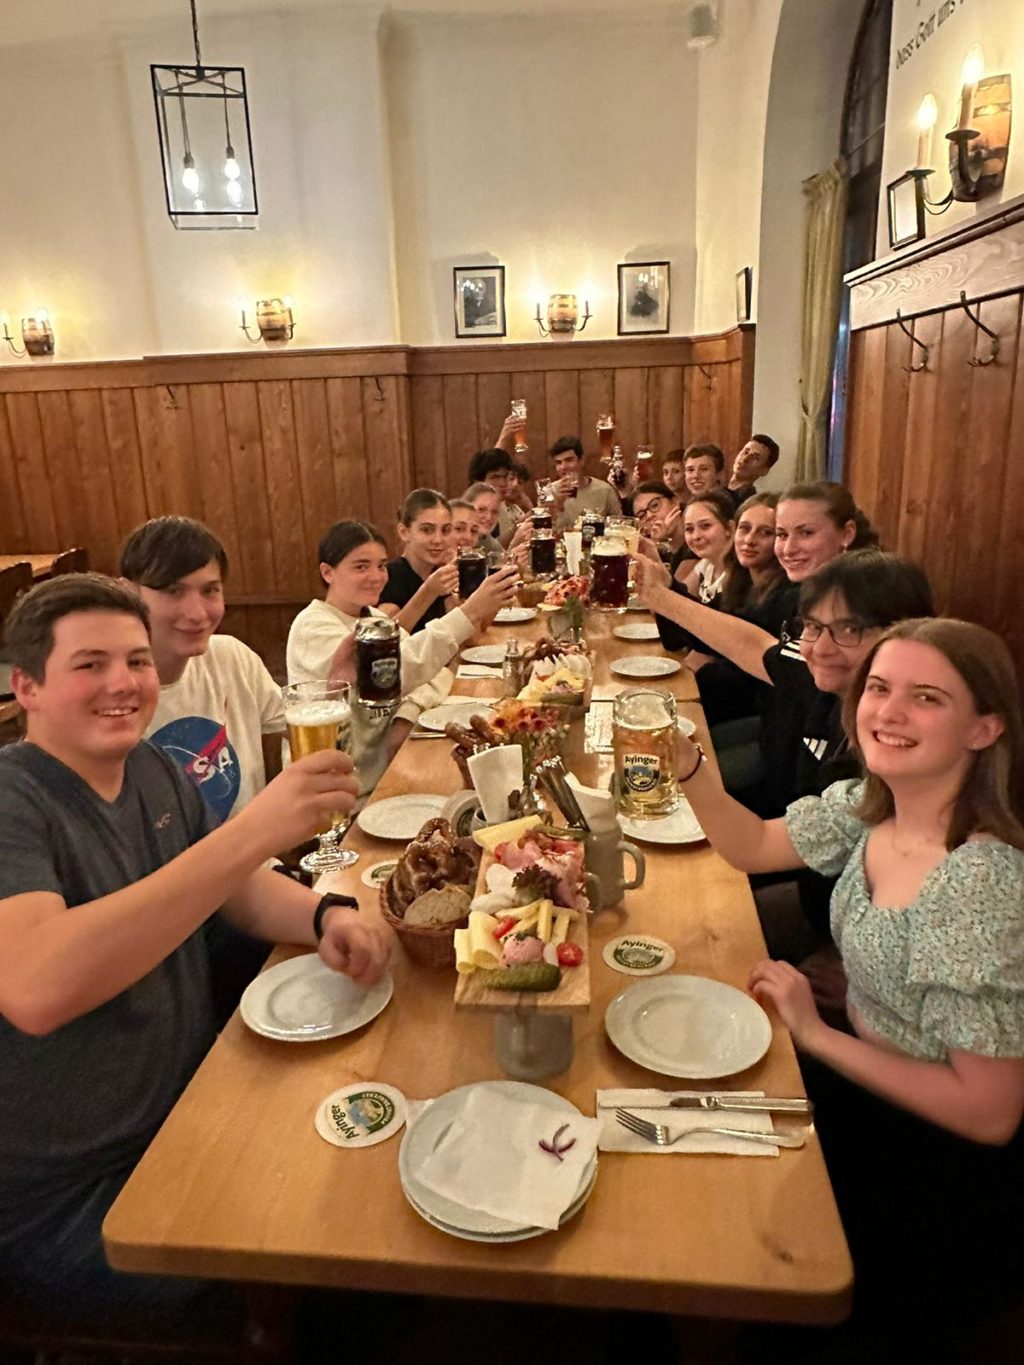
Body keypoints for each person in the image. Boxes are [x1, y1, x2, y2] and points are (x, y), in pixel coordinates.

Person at [0, 573, 389, 1327]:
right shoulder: (14, 801)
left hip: (192, 1105)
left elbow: (228, 885)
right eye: (90, 664)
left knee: (366, 1159)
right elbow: (35, 987)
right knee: (331, 1237)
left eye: (136, 661)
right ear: (27, 687)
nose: (123, 683)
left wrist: (324, 915)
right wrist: (257, 829)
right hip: (77, 1194)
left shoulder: (151, 768)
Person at [675, 617, 1024, 1330]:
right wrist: (688, 770)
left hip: (929, 1171)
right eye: (879, 688)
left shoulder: (979, 880)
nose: (888, 712)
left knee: (717, 1228)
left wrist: (815, 1033)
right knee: (680, 1126)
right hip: (857, 1072)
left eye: (927, 698)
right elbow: (753, 843)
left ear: (985, 728)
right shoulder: (873, 805)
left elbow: (990, 1114)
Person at [287, 521, 517, 796]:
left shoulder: (375, 619)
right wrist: (468, 613)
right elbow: (397, 673)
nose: (376, 576)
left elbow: (429, 674)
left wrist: (406, 715)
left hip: (387, 768)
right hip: (344, 791)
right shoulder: (313, 627)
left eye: (381, 565)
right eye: (361, 566)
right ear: (328, 572)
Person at [118, 516, 282, 824]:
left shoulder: (232, 658)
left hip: (261, 850)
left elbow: (293, 737)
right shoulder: (110, 698)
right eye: (173, 591)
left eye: (210, 590)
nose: (196, 613)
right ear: (128, 593)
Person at [379, 488, 458, 634]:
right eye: (427, 530)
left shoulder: (440, 573)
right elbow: (387, 636)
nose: (438, 540)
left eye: (445, 530)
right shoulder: (389, 577)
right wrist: (429, 591)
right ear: (404, 532)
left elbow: (467, 634)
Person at [547, 435, 621, 529]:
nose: (563, 467)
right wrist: (559, 506)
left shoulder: (605, 490)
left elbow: (618, 525)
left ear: (582, 460)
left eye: (569, 460)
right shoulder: (550, 492)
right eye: (558, 462)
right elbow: (545, 531)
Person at [676, 488, 736, 604]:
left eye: (705, 526)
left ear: (729, 528)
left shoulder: (741, 575)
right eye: (689, 529)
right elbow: (678, 604)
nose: (696, 536)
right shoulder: (706, 565)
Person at [465, 449, 526, 546]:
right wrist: (517, 528)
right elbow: (487, 550)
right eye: (495, 477)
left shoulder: (500, 506)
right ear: (477, 481)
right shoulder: (468, 512)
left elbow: (493, 548)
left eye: (505, 477)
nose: (503, 483)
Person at [725, 432, 779, 508]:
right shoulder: (718, 485)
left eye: (756, 458)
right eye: (745, 452)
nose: (745, 459)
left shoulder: (749, 503)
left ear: (765, 470)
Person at [462, 481, 504, 555]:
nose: (489, 517)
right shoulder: (450, 541)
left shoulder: (490, 544)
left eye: (494, 512)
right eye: (481, 510)